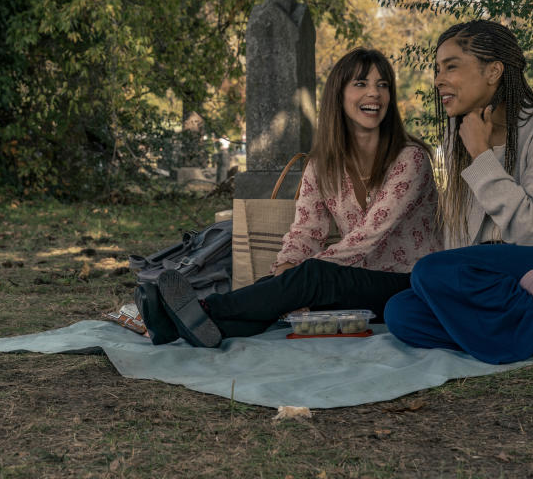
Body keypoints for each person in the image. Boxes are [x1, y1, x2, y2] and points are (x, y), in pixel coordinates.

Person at [135, 47, 442, 347]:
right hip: (356, 282)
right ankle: (178, 327)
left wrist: (297, 277)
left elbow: (367, 238)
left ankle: (203, 309)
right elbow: (306, 231)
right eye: (361, 83)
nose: (375, 93)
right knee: (281, 295)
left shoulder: (410, 159)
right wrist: (286, 266)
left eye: (383, 85)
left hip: (411, 283)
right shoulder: (322, 165)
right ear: (339, 95)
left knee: (310, 279)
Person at [382, 19, 533, 372]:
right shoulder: (460, 136)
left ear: (494, 71)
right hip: (498, 269)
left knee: (429, 273)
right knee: (402, 312)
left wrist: (482, 156)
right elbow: (463, 235)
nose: (438, 80)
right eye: (437, 69)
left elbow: (530, 228)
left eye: (451, 66)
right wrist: (452, 282)